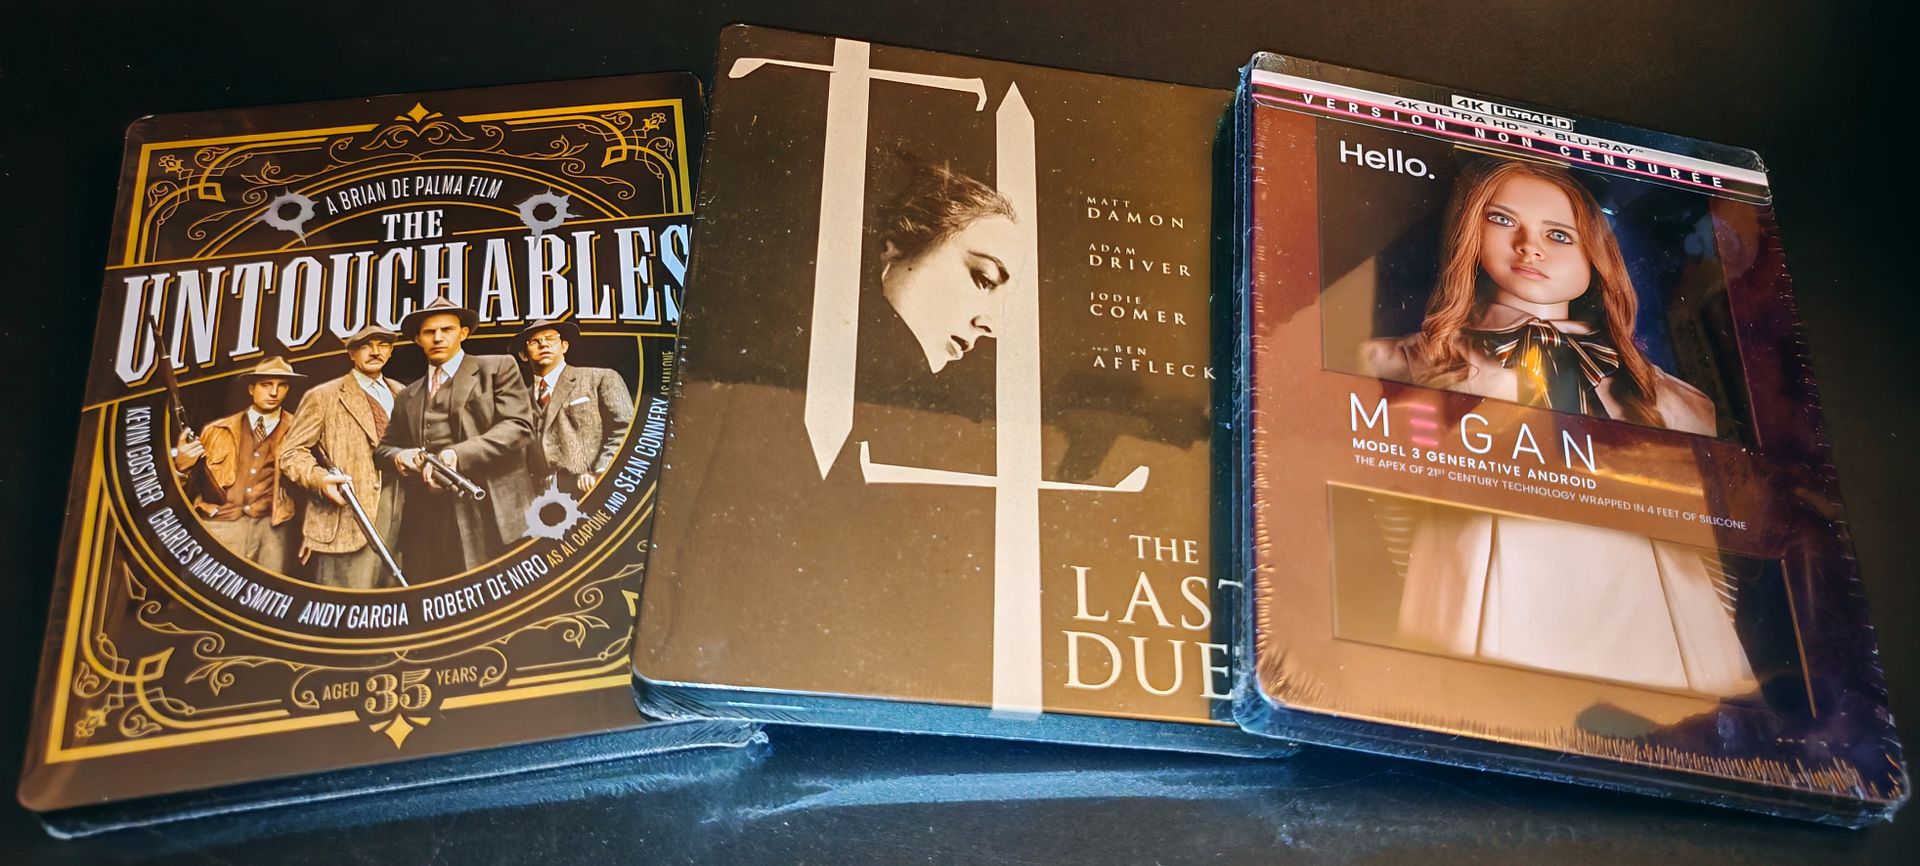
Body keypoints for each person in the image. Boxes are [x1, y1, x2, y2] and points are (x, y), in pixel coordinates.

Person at [1358, 158, 1756, 697]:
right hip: (1479, 629)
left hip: (1659, 639)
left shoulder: (1677, 403)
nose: (1531, 247)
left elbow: (1714, 547)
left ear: (1596, 255)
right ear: (1469, 229)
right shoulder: (1394, 364)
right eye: (1503, 220)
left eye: (1559, 234)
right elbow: (1378, 500)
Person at [374, 297, 535, 579]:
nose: (438, 337)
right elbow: (382, 450)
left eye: (447, 329)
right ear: (418, 340)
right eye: (429, 332)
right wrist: (401, 457)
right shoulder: (407, 395)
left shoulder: (497, 367)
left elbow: (518, 426)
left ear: (463, 333)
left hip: (491, 511)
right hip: (429, 522)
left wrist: (457, 455)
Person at [279, 323, 405, 588]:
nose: (375, 351)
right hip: (348, 516)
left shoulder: (402, 392)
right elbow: (291, 454)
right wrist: (321, 479)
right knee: (349, 602)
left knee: (391, 602)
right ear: (351, 353)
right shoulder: (322, 396)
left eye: (383, 345)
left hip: (402, 516)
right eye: (366, 346)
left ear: (391, 351)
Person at [172, 356, 305, 573]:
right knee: (213, 587)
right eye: (266, 384)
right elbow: (189, 485)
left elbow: (310, 487)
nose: (274, 392)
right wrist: (180, 467)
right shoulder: (216, 430)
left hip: (272, 530)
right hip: (221, 526)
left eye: (282, 385)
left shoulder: (299, 430)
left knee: (268, 590)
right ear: (251, 388)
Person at [518, 319, 634, 494]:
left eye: (551, 338)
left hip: (590, 489)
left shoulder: (600, 378)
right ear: (523, 354)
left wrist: (601, 472)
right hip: (538, 497)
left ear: (564, 346)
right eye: (535, 341)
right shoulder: (518, 400)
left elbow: (626, 430)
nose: (543, 344)